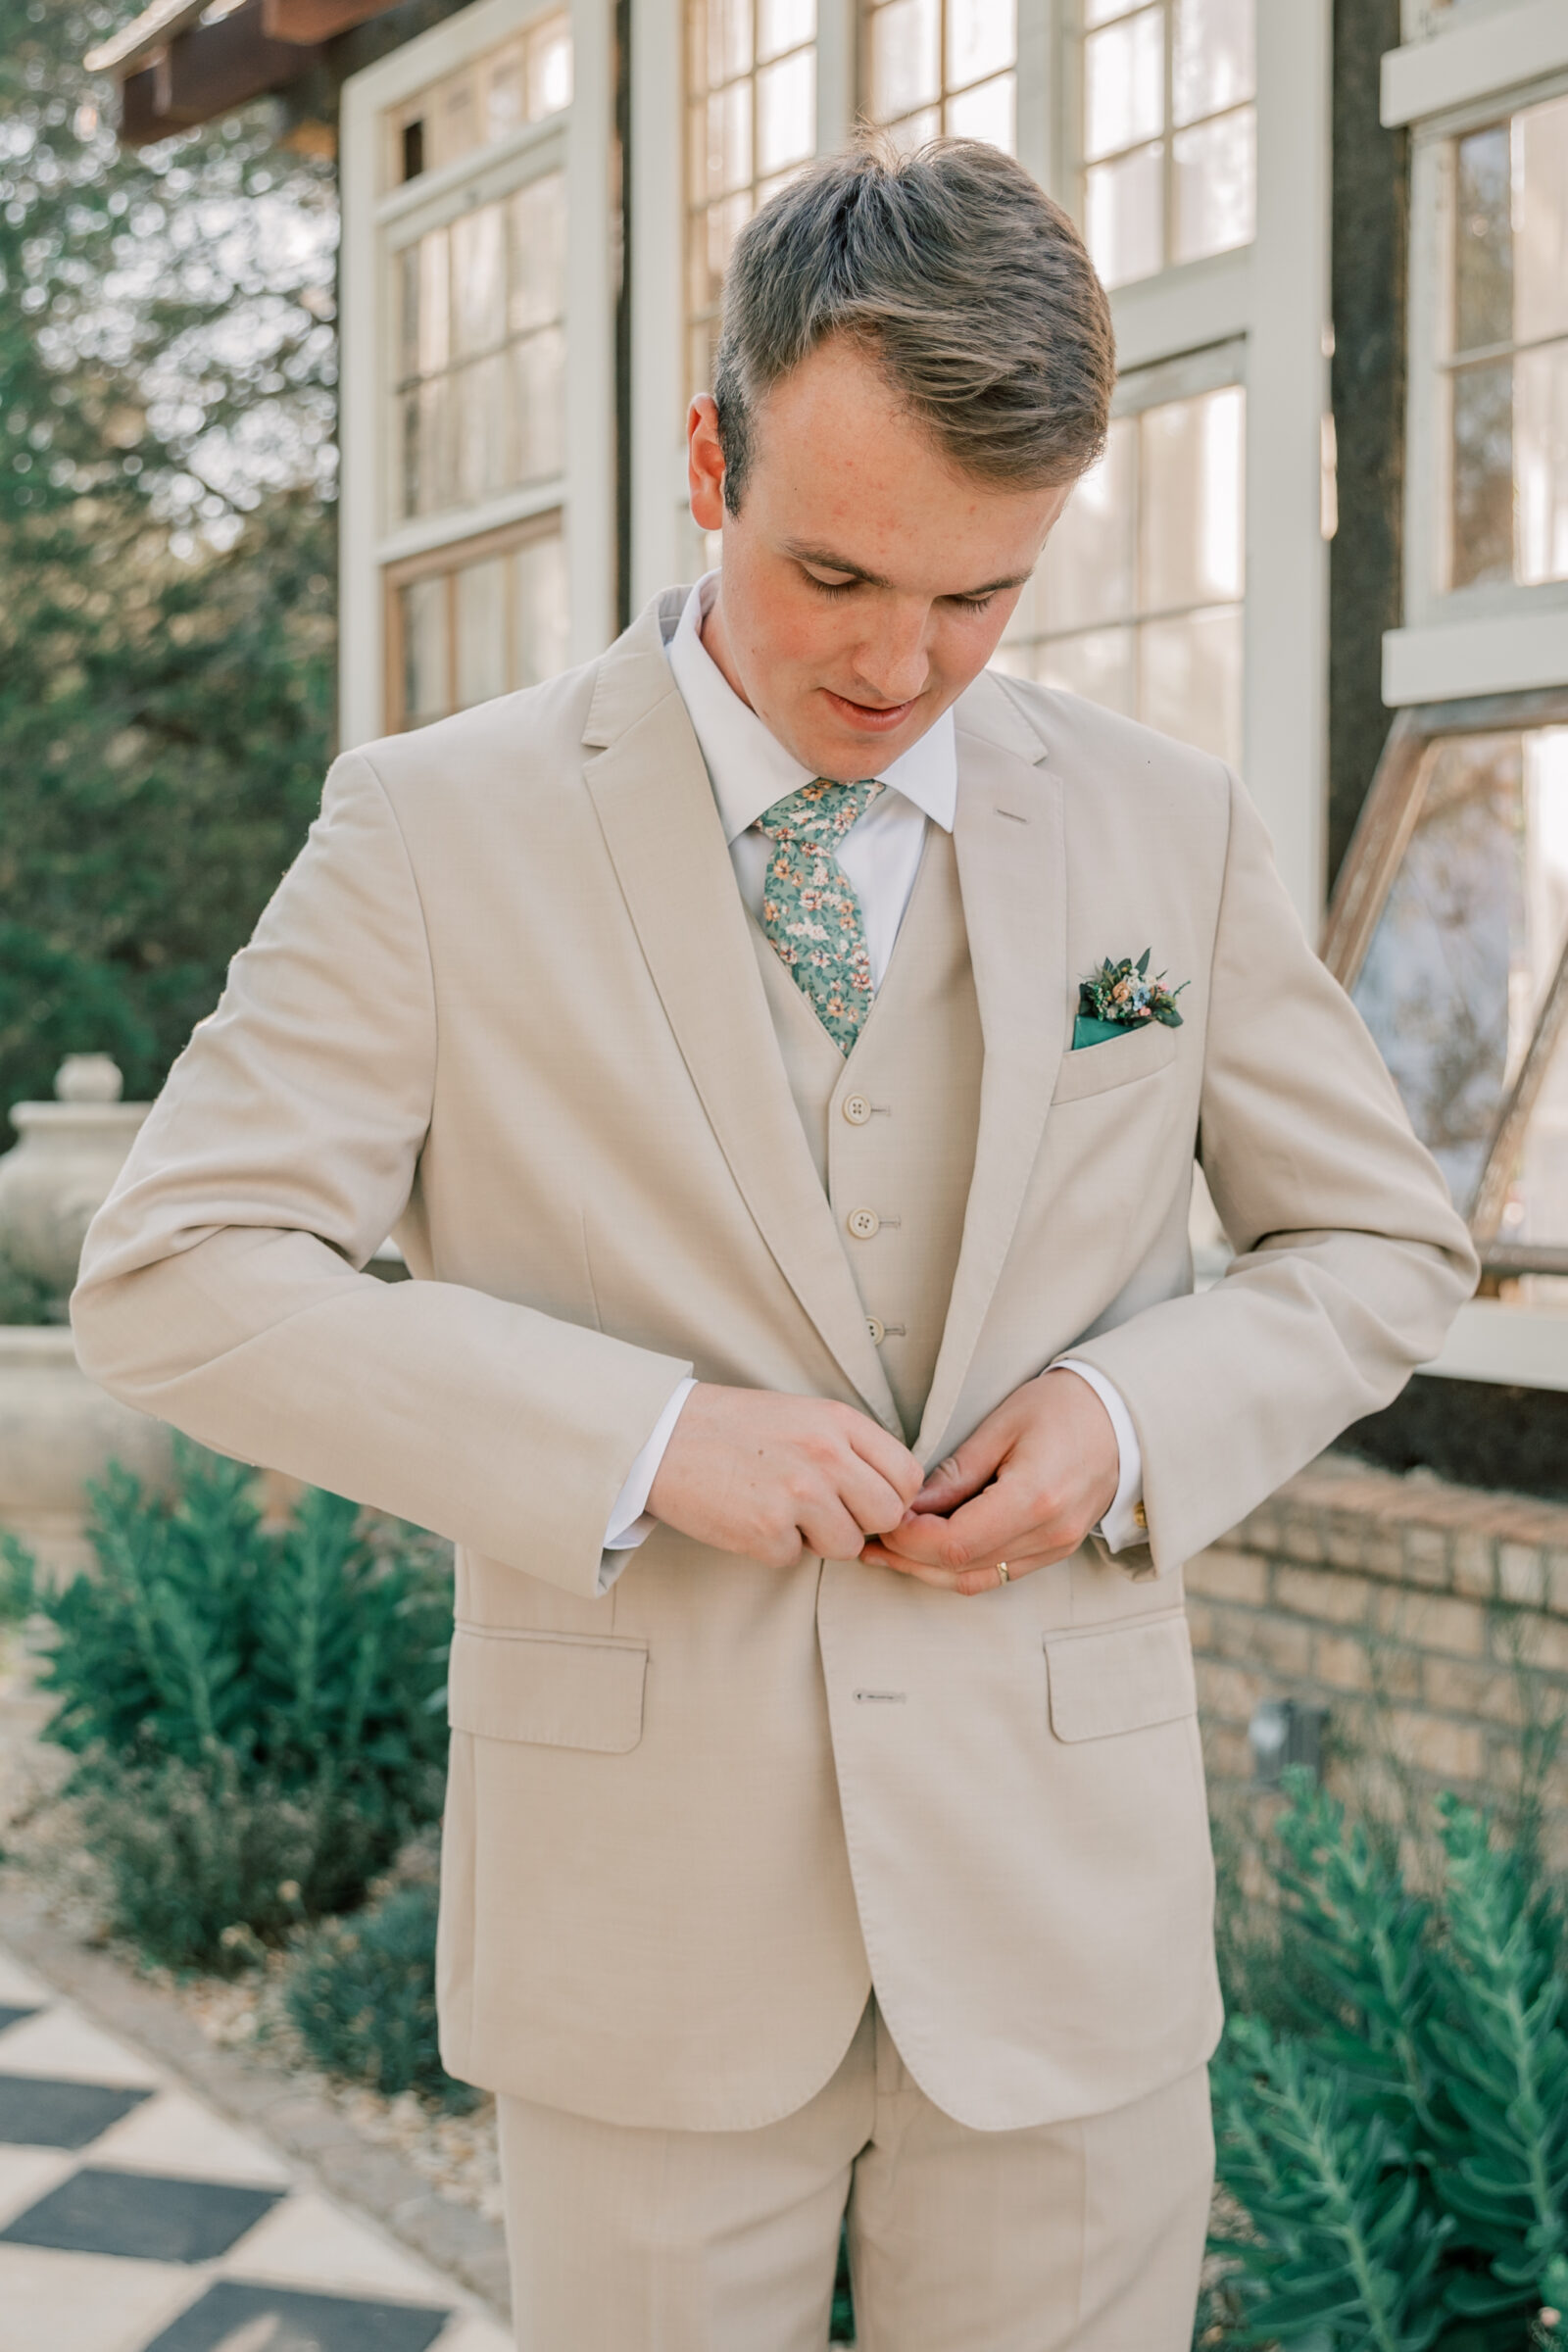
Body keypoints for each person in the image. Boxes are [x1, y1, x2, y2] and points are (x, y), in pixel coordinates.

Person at [74, 138, 1476, 2352]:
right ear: (706, 455)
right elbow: (174, 1270)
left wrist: (1124, 1418)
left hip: (1064, 1937)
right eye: (836, 572)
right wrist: (640, 1440)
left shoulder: (1156, 825)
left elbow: (1375, 1246)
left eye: (981, 596)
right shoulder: (436, 832)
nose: (901, 662)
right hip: (641, 1945)